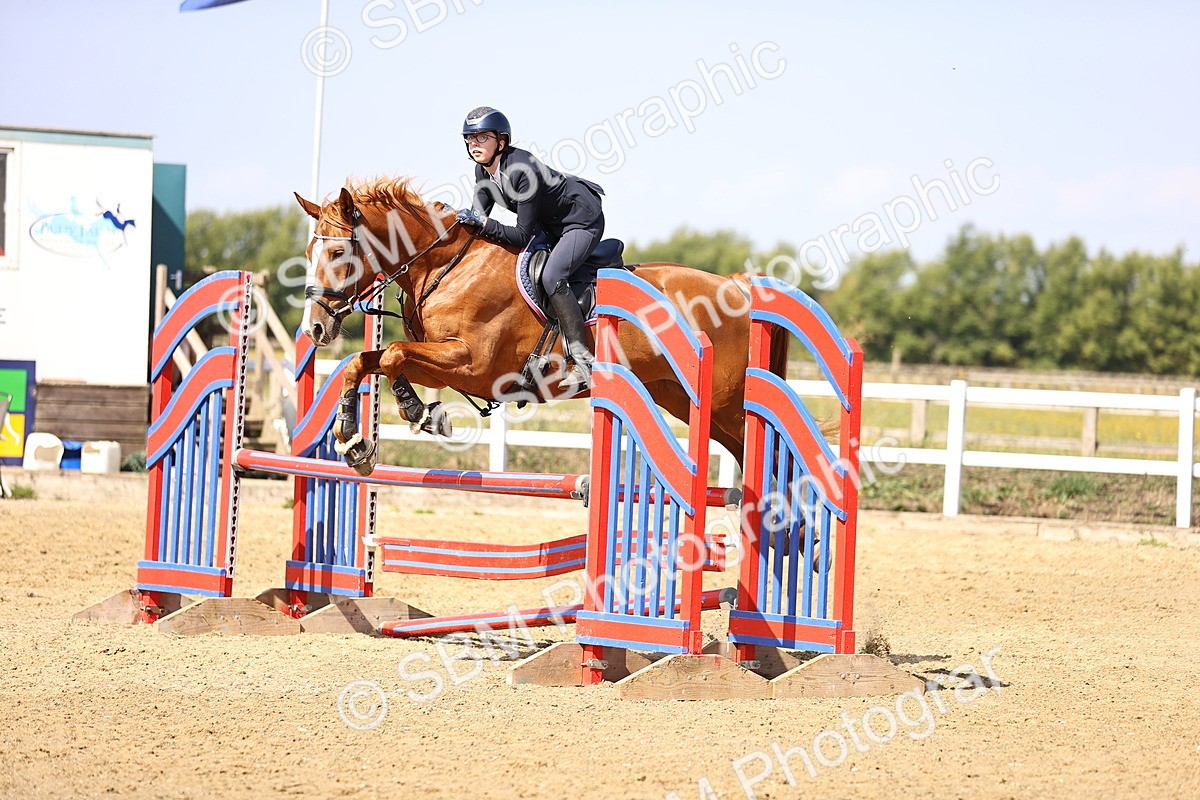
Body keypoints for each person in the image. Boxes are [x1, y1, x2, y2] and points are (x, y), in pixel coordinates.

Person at [454, 106, 604, 394]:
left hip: (581, 220)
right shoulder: (482, 171)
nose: (474, 144)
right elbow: (478, 221)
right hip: (549, 225)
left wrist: (483, 223)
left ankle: (583, 362)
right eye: (470, 138)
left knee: (551, 276)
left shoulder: (522, 170)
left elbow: (521, 233)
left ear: (501, 142)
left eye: (482, 138)